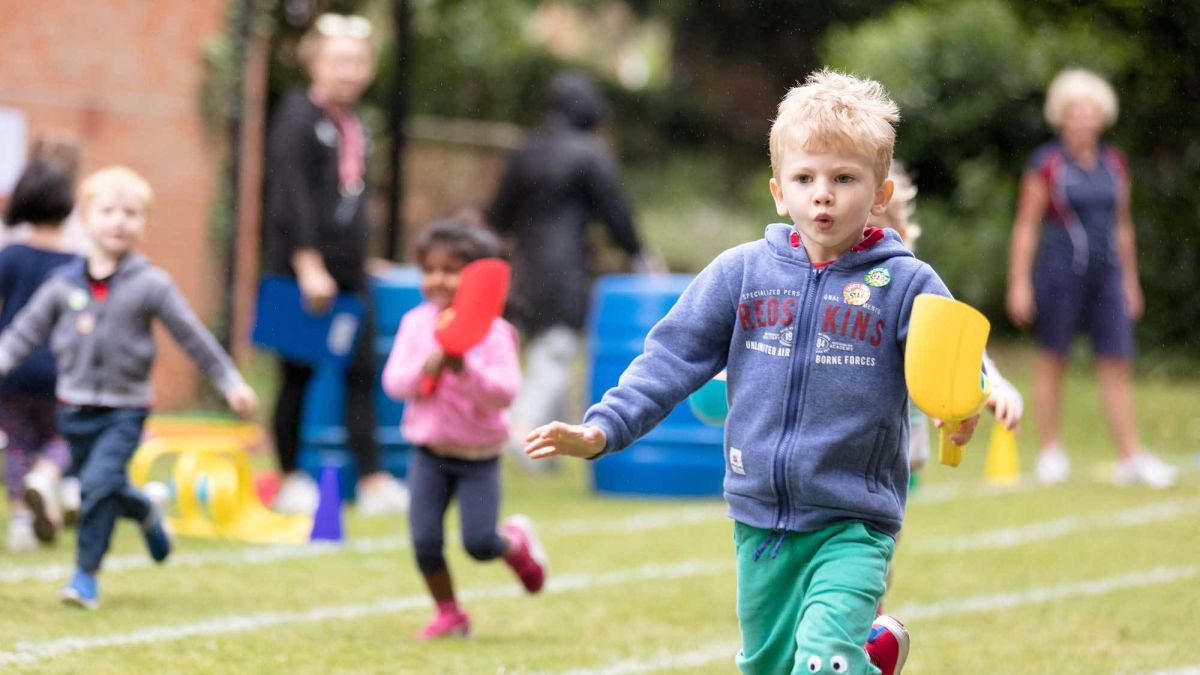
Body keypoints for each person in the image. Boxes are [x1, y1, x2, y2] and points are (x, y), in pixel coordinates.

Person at [524, 70, 980, 675]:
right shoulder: (742, 274)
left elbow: (952, 362)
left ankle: (855, 656)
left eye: (844, 179)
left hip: (854, 519)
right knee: (768, 666)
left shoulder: (907, 284)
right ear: (777, 190)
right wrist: (604, 429)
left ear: (878, 193)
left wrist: (961, 408)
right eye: (805, 178)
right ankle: (876, 656)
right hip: (759, 517)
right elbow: (670, 359)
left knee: (823, 662)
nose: (823, 194)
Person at [0, 166, 259, 609]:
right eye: (108, 211)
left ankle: (85, 576)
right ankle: (144, 510)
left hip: (125, 409)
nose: (120, 221)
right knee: (103, 487)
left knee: (98, 485)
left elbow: (192, 337)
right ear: (85, 219)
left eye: (132, 213)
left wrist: (230, 381)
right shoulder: (63, 284)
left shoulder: (151, 285)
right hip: (74, 406)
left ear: (143, 224)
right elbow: (22, 334)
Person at [262, 13, 409, 514]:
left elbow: (348, 199)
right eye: (338, 60)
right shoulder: (297, 116)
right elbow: (290, 197)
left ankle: (371, 481)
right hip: (301, 272)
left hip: (349, 273)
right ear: (314, 63)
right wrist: (307, 264)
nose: (349, 70)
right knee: (297, 375)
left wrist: (363, 259)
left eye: (358, 61)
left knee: (361, 371)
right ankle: (288, 478)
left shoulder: (353, 123)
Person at [1005, 68, 1175, 488]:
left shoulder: (1114, 164)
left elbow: (1123, 226)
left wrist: (1130, 281)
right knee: (1053, 359)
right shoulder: (1046, 164)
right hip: (1060, 275)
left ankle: (1130, 456)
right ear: (1061, 117)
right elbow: (1026, 226)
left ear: (1102, 117)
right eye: (1074, 112)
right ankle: (1050, 452)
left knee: (1116, 362)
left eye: (1090, 112)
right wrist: (1019, 282)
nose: (1082, 120)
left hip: (1108, 278)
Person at [381, 219, 547, 639]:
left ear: (476, 280)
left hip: (479, 458)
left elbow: (504, 393)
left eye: (451, 270)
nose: (437, 279)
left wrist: (463, 369)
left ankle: (514, 543)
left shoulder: (495, 333)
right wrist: (427, 368)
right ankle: (450, 613)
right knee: (424, 542)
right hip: (429, 454)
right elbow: (394, 383)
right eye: (429, 269)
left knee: (478, 543)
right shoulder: (416, 325)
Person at [487, 71, 651, 467]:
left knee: (545, 348)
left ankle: (547, 457)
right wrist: (639, 254)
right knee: (557, 353)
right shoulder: (589, 152)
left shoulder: (526, 149)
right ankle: (519, 427)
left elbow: (497, 216)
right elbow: (616, 212)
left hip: (525, 269)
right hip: (567, 270)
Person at [874, 163, 1024, 475]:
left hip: (896, 459)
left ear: (901, 235)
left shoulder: (908, 291)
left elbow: (955, 348)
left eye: (872, 232)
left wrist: (992, 386)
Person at [0, 153, 80, 551]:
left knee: (16, 442)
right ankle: (47, 476)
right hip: (61, 370)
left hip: (12, 369)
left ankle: (20, 517)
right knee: (62, 437)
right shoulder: (76, 263)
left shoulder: (10, 256)